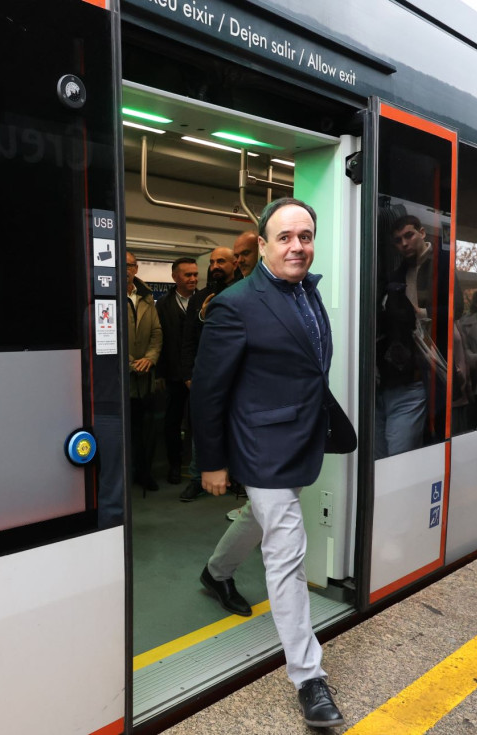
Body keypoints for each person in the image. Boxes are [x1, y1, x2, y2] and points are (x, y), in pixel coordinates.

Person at [193, 197, 353, 728]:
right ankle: (308, 678)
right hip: (261, 447)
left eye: (305, 236)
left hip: (300, 440)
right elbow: (209, 392)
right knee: (287, 552)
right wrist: (212, 462)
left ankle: (216, 573)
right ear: (261, 245)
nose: (297, 246)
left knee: (260, 519)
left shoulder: (308, 291)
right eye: (284, 237)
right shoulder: (235, 304)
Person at [179, 245, 239, 501]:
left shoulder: (243, 293)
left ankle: (237, 477)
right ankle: (197, 477)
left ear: (234, 263)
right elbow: (189, 338)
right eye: (212, 261)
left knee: (237, 426)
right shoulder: (199, 296)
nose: (215, 266)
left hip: (237, 374)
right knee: (202, 426)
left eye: (221, 261)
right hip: (206, 374)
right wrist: (188, 373)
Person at [374, 214, 433, 458]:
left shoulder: (439, 266)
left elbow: (456, 309)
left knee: (398, 458)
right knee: (379, 457)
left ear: (422, 233)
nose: (405, 243)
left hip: (419, 372)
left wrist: (420, 313)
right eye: (398, 240)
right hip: (387, 377)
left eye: (409, 235)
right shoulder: (396, 275)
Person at [154, 257, 198, 484]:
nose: (193, 279)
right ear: (175, 277)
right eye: (187, 275)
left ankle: (200, 469)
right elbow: (159, 341)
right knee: (172, 422)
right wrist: (159, 373)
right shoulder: (162, 305)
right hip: (172, 374)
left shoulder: (205, 300)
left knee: (200, 423)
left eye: (195, 274)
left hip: (199, 374)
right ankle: (174, 465)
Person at [126, 251, 162, 493]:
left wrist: (149, 359)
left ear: (136, 269)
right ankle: (123, 476)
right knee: (123, 431)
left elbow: (156, 333)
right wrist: (130, 362)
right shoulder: (107, 296)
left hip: (145, 378)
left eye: (129, 265)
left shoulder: (146, 298)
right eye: (120, 264)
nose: (125, 269)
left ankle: (143, 472)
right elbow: (108, 337)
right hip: (122, 378)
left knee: (144, 430)